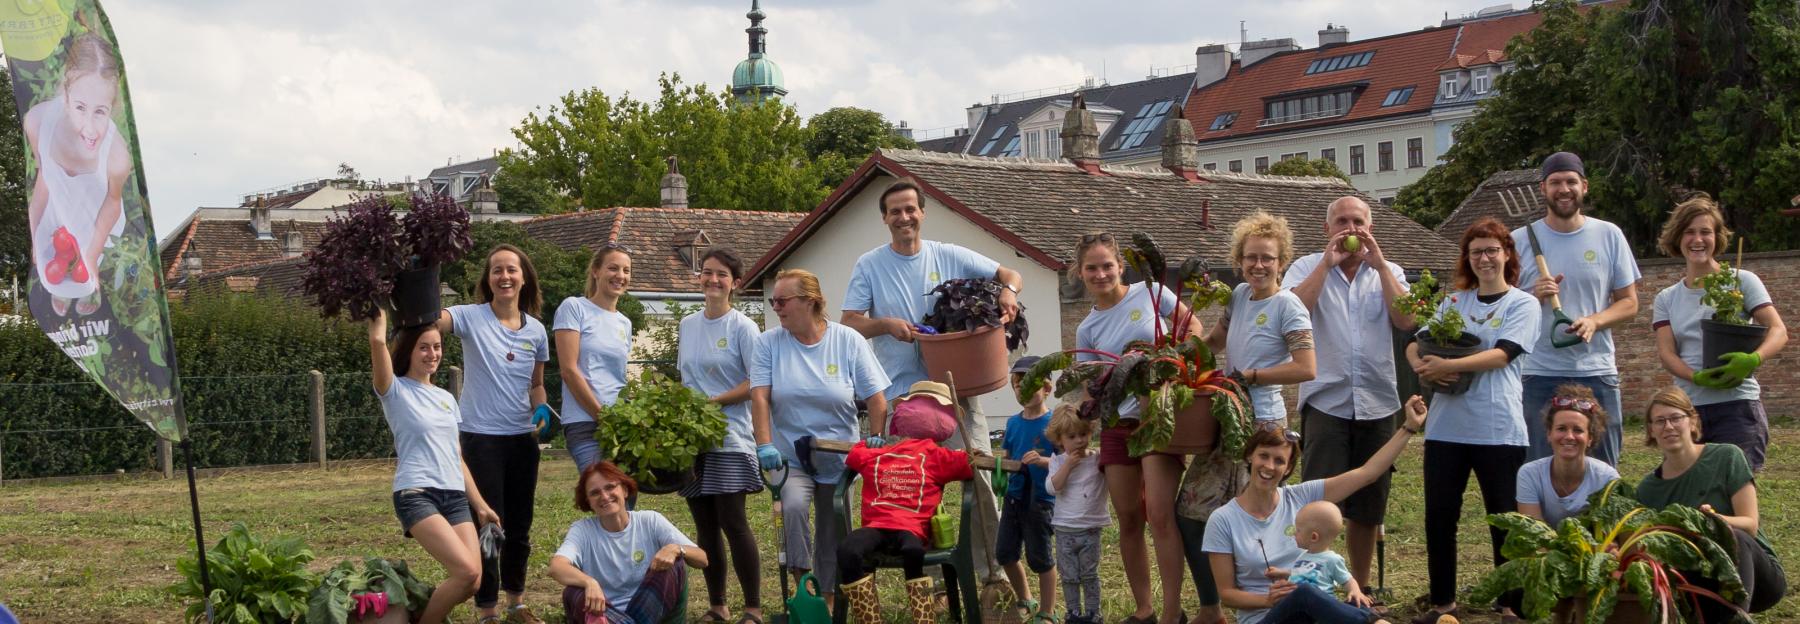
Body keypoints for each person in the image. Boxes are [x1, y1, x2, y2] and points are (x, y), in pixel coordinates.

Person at [839, 178, 1024, 587]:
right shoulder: (870, 265)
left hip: (956, 393)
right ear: (885, 219)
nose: (904, 217)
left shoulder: (948, 255)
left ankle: (991, 575)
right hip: (903, 397)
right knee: (908, 486)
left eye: (910, 209)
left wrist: (1008, 292)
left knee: (978, 476)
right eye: (895, 211)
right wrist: (885, 324)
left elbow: (1009, 272)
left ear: (922, 212)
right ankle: (927, 578)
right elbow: (849, 322)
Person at [1405, 218, 1540, 624]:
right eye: (1476, 251)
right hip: (1447, 428)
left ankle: (1509, 602)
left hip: (1498, 428)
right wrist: (1421, 367)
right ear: (1467, 257)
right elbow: (1416, 341)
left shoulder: (1522, 303)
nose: (1484, 258)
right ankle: (1443, 602)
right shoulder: (1454, 303)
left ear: (1506, 255)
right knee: (1440, 516)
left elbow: (1503, 354)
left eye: (1491, 250)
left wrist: (1450, 363)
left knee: (1504, 518)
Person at [1071, 231, 1206, 624]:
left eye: (1107, 266)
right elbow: (1090, 382)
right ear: (1080, 274)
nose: (1100, 274)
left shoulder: (1151, 294)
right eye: (1092, 268)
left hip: (1159, 417)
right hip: (1118, 424)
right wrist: (1090, 401)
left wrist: (1171, 365)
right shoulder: (1087, 329)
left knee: (1160, 515)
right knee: (1129, 517)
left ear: (1120, 266)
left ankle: (1170, 611)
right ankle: (1144, 608)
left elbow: (1194, 330)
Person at [1280, 196, 1414, 588]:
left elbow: (1407, 319)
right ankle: (1316, 584)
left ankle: (1361, 584)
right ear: (1327, 229)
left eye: (1358, 221)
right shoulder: (1306, 267)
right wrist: (1326, 264)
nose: (1351, 229)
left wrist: (1381, 266)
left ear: (1370, 228)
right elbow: (1292, 312)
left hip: (1378, 401)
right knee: (1321, 504)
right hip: (1327, 399)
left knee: (1370, 506)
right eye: (1342, 221)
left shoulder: (1389, 270)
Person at [1201, 395, 1428, 624]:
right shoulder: (1223, 519)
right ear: (1250, 456)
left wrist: (1409, 427)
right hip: (1265, 617)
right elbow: (1227, 594)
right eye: (1263, 456)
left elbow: (1367, 474)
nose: (1269, 466)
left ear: (1288, 467)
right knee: (1305, 594)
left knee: (1352, 600)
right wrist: (1267, 600)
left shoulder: (1301, 496)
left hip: (1309, 613)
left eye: (1279, 461)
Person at [751, 269, 891, 605]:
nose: (777, 308)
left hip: (839, 456)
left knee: (832, 527)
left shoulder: (847, 341)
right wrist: (764, 444)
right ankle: (805, 586)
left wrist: (875, 436)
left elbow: (877, 398)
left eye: (783, 301)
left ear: (810, 301)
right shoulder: (769, 342)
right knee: (794, 507)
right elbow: (760, 396)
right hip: (790, 457)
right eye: (773, 301)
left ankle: (827, 598)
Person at [433, 244, 552, 624]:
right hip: (480, 437)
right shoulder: (470, 317)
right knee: (488, 523)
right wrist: (422, 278)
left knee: (520, 524)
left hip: (522, 439)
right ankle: (487, 609)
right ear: (487, 279)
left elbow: (537, 384)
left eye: (511, 270)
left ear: (524, 278)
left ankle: (516, 602)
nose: (504, 276)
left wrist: (540, 407)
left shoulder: (536, 329)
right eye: (497, 270)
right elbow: (434, 320)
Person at [367, 307, 500, 624]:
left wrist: (480, 505)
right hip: (416, 493)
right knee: (465, 570)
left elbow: (456, 456)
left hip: (454, 496)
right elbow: (379, 349)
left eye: (437, 346)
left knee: (474, 580)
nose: (432, 353)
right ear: (410, 351)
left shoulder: (446, 398)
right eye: (423, 347)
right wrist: (377, 328)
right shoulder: (395, 391)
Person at [1512, 152, 1641, 466]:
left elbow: (1629, 303)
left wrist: (1596, 321)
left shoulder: (1608, 235)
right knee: (1538, 467)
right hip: (1538, 372)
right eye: (1555, 182)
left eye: (1571, 181)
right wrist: (1532, 296)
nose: (1564, 189)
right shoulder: (1518, 241)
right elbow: (1504, 308)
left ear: (1585, 186)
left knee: (1604, 467)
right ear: (1543, 189)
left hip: (1596, 371)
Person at [1651, 195, 1788, 471]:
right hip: (1687, 411)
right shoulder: (1666, 298)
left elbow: (1778, 330)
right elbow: (1667, 353)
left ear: (1717, 237)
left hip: (1737, 407)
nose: (1697, 240)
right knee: (1689, 492)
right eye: (1689, 232)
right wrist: (1696, 376)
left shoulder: (1741, 282)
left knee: (1734, 490)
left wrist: (1752, 360)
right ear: (1678, 238)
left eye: (1705, 232)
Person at [1636, 387, 1786, 618]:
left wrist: (1715, 520)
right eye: (1660, 421)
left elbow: (1750, 524)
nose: (1669, 427)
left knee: (1736, 536)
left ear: (1692, 422)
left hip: (1755, 576)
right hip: (1697, 582)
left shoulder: (1726, 457)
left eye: (1676, 418)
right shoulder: (1647, 489)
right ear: (1651, 430)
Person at [676, 249, 767, 624]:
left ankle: (753, 607)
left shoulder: (743, 327)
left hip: (730, 436)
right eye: (707, 273)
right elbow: (686, 378)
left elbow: (755, 382)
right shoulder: (687, 324)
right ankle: (718, 606)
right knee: (704, 526)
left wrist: (714, 401)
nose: (713, 280)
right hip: (692, 441)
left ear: (735, 283)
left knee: (733, 520)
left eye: (722, 275)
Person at [838, 381, 976, 624]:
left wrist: (975, 456)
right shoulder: (881, 452)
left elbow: (968, 465)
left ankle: (923, 617)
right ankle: (870, 619)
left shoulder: (937, 455)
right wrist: (870, 441)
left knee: (913, 551)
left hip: (911, 529)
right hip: (876, 527)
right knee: (848, 549)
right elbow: (854, 455)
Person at [24, 32, 130, 318]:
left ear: (112, 107)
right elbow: (44, 176)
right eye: (80, 108)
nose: (90, 128)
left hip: (96, 215)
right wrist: (36, 236)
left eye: (100, 112)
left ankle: (93, 287)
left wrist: (92, 255)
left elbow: (112, 202)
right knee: (54, 274)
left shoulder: (117, 155)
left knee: (87, 276)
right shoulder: (37, 123)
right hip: (58, 208)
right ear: (65, 94)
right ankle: (62, 290)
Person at [550, 461, 710, 624]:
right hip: (606, 614)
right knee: (573, 591)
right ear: (588, 501)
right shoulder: (583, 530)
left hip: (651, 610)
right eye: (595, 493)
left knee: (675, 563)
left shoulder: (650, 520)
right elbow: (557, 567)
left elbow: (702, 559)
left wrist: (677, 548)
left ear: (625, 490)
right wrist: (589, 582)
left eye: (610, 487)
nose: (605, 496)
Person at [1206, 210, 1316, 424]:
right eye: (1251, 257)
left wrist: (1251, 377)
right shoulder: (1239, 294)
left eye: (1267, 258)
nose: (1258, 265)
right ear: (1240, 260)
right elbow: (1213, 342)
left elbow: (1306, 368)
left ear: (1281, 263)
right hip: (1231, 411)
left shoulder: (1287, 305)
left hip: (1264, 419)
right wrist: (1174, 354)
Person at [554, 243, 634, 473]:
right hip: (585, 421)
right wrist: (602, 417)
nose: (620, 276)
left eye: (626, 270)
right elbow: (569, 371)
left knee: (624, 497)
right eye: (613, 268)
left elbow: (617, 377)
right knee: (603, 488)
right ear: (596, 271)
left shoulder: (624, 323)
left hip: (619, 422)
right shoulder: (575, 308)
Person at [997, 356, 1057, 623]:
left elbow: (1066, 462)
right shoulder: (1012, 423)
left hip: (1041, 500)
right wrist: (990, 459)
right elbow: (1005, 456)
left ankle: (1047, 612)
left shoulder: (1055, 423)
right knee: (1005, 553)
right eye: (1017, 385)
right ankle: (1026, 599)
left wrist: (1044, 461)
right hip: (1013, 497)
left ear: (1047, 388)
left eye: (1030, 383)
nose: (1022, 389)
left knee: (1040, 557)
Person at [1514, 384, 1618, 527]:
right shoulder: (1529, 474)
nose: (1569, 436)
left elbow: (1612, 533)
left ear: (1590, 438)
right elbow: (1533, 534)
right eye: (1561, 429)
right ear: (1549, 434)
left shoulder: (1607, 478)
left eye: (1578, 430)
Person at [1263, 501, 1383, 623]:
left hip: (1315, 612)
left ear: (1313, 537)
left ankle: (1368, 618)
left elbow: (1348, 579)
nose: (1294, 533)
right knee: (1303, 592)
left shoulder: (1332, 559)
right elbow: (1300, 573)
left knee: (1353, 603)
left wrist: (1355, 591)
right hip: (1295, 608)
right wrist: (1282, 573)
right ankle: (1369, 619)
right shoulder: (1303, 556)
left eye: (1298, 530)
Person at [1043, 406, 1105, 624]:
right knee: (1069, 576)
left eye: (1084, 434)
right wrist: (1067, 466)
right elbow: (1053, 488)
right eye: (1072, 436)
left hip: (1090, 529)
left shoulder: (1097, 459)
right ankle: (1073, 612)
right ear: (1060, 440)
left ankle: (1092, 613)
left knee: (1089, 574)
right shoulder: (1057, 461)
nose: (1079, 440)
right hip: (1064, 530)